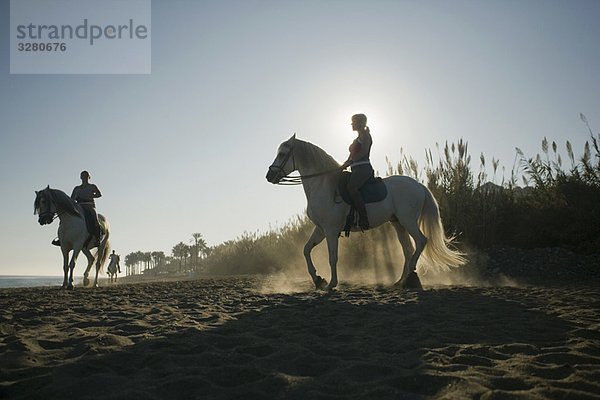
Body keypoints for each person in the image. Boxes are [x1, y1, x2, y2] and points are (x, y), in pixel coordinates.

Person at [52, 170, 103, 246]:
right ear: (80, 177)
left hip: (89, 205)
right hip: (79, 205)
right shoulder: (77, 188)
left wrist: (90, 196)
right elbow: (72, 199)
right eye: (82, 176)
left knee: (94, 218)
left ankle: (97, 237)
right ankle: (61, 238)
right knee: (66, 217)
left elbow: (99, 194)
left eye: (85, 176)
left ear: (88, 177)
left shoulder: (92, 186)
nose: (84, 178)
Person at [340, 113, 373, 230]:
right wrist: (342, 165)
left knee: (352, 187)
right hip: (355, 169)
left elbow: (363, 152)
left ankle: (364, 219)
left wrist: (351, 161)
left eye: (353, 122)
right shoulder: (357, 139)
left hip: (364, 169)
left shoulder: (366, 136)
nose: (351, 124)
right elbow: (351, 156)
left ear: (360, 123)